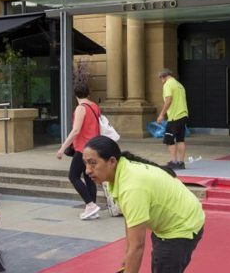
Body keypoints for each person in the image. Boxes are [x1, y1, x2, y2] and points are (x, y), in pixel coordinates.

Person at [82, 135, 205, 273]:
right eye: (85, 163)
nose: (87, 170)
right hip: (172, 218)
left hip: (182, 225)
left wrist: (131, 254)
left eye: (92, 163)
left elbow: (138, 246)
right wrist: (128, 254)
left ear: (112, 161)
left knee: (164, 264)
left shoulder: (131, 187)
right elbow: (130, 221)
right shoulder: (121, 171)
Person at [55, 82, 102, 220]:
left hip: (83, 148)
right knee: (88, 177)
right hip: (94, 146)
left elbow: (76, 130)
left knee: (73, 176)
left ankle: (90, 205)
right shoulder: (94, 106)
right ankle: (92, 207)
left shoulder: (81, 108)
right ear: (88, 93)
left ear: (75, 94)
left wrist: (62, 148)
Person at [155, 68, 189, 169]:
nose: (161, 81)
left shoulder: (168, 84)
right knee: (180, 139)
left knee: (169, 139)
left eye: (160, 79)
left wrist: (161, 115)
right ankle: (181, 163)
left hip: (174, 116)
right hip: (183, 114)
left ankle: (173, 162)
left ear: (163, 77)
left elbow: (168, 100)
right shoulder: (179, 85)